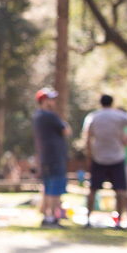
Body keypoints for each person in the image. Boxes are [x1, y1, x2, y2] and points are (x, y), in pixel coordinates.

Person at [81, 94, 127, 228]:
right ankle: (119, 222)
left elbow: (87, 138)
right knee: (120, 190)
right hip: (117, 157)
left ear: (100, 103)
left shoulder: (93, 117)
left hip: (99, 157)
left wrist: (89, 156)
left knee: (93, 189)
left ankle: (88, 220)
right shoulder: (119, 116)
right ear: (112, 103)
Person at [32, 87, 71, 227]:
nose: (53, 101)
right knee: (55, 187)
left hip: (45, 158)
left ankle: (48, 216)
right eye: (51, 99)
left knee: (48, 187)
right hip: (55, 157)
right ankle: (53, 217)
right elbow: (66, 130)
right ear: (44, 100)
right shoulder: (50, 116)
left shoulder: (37, 116)